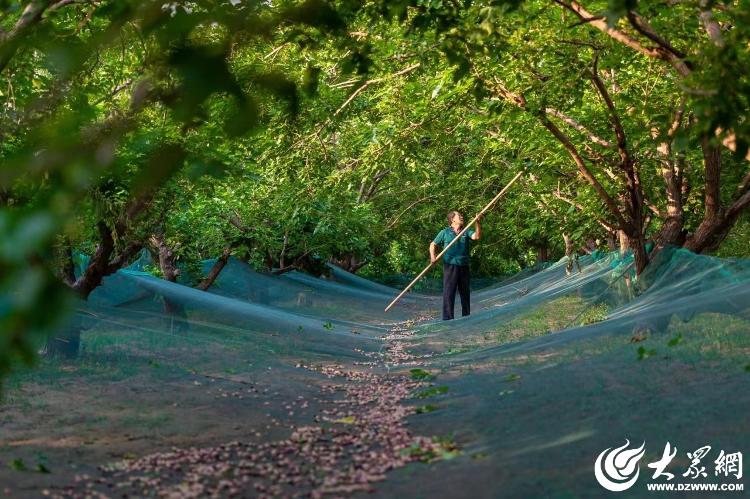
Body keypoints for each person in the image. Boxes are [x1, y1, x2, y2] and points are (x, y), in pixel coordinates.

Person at [430, 211, 481, 320]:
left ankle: (466, 317)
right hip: (450, 266)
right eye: (459, 216)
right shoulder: (444, 232)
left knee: (465, 292)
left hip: (464, 266)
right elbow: (432, 244)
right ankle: (448, 318)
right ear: (453, 219)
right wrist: (433, 257)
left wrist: (477, 222)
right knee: (449, 292)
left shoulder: (466, 231)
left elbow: (476, 236)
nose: (462, 217)